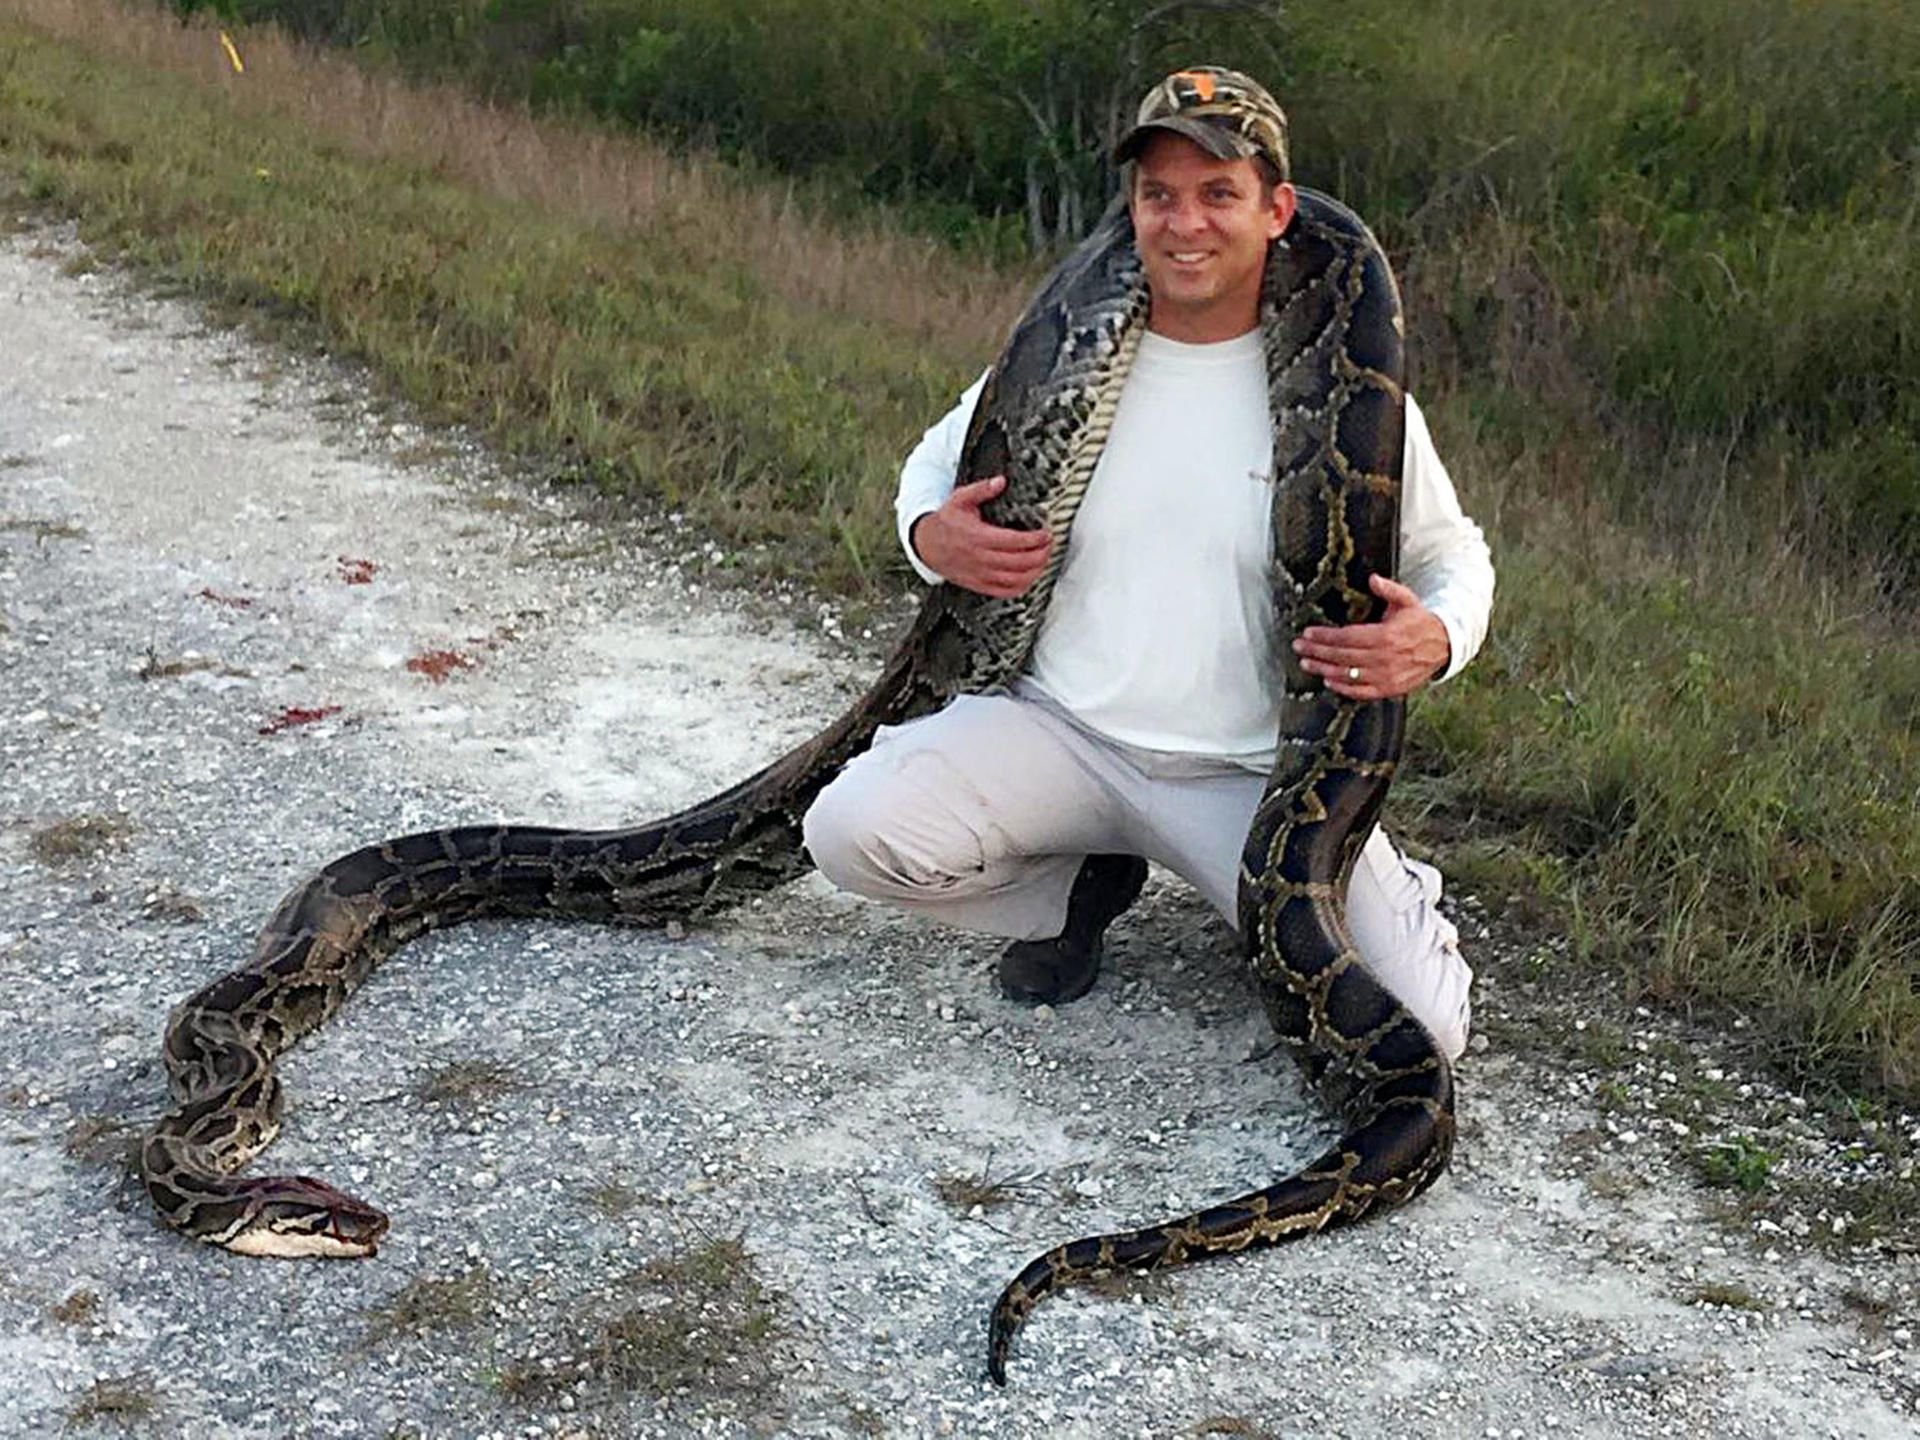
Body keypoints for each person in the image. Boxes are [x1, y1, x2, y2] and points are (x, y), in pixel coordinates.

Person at [802, 67, 1494, 1060]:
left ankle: (1344, 890)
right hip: (1063, 732)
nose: (1185, 224)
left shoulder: (1350, 396)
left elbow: (1450, 554)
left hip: (1244, 772)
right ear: (1131, 209)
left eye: (1219, 194)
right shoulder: (1066, 354)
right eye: (1159, 195)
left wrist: (1435, 637)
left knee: (1418, 1032)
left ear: (1277, 210)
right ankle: (1075, 892)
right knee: (852, 831)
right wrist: (928, 535)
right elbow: (932, 462)